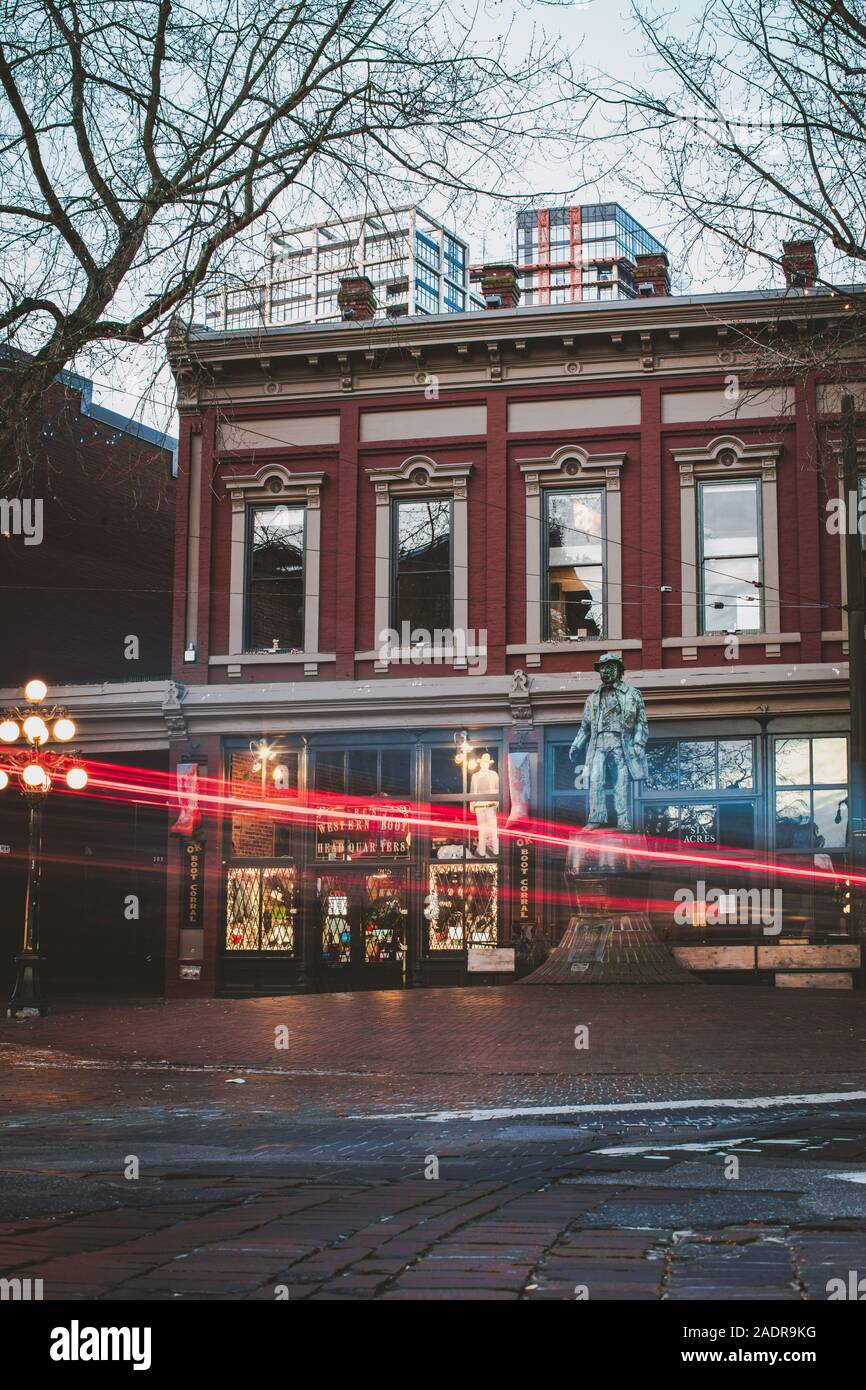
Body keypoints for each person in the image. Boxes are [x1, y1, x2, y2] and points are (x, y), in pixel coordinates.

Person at [569, 654, 648, 831]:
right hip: (598, 744)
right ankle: (595, 818)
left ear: (619, 670)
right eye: (602, 668)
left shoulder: (633, 694)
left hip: (622, 744)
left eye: (609, 667)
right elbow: (585, 727)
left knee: (621, 783)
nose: (605, 671)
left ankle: (623, 819)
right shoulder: (592, 699)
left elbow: (641, 723)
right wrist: (576, 745)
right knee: (596, 780)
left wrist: (639, 744)